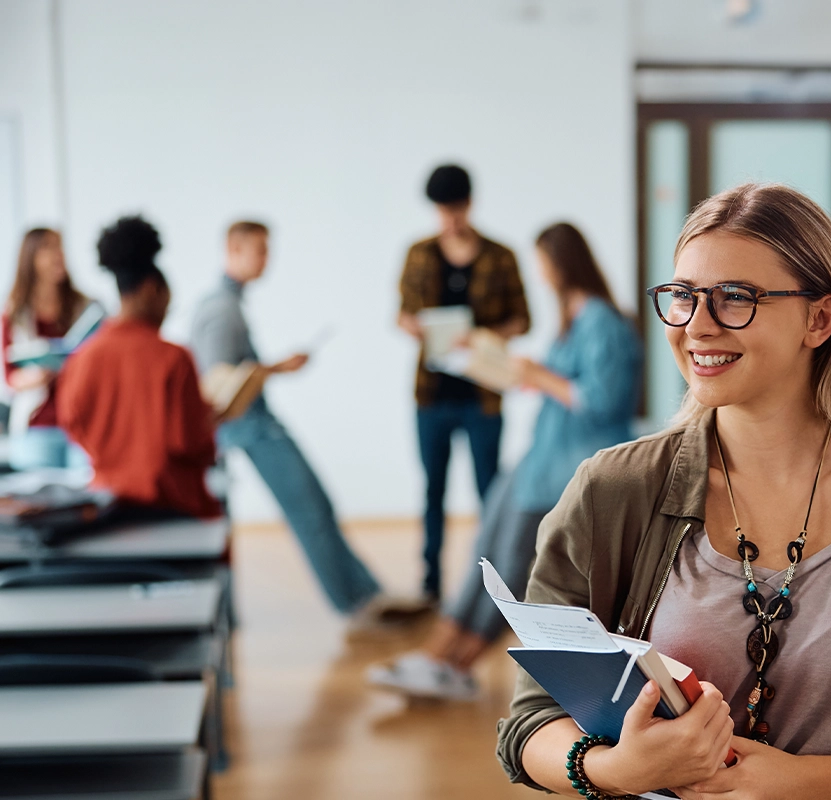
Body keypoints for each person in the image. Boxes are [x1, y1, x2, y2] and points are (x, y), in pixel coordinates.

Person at [495, 184, 831, 800]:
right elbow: (532, 722)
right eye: (681, 297)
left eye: (735, 298)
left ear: (820, 318)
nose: (696, 326)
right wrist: (617, 770)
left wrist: (799, 784)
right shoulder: (612, 492)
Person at [369, 221, 642, 700]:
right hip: (540, 460)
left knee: (512, 566)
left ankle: (457, 664)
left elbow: (603, 401)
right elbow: (566, 387)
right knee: (487, 552)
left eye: (541, 262)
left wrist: (539, 373)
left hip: (568, 468)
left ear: (559, 263)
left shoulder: (599, 319)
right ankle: (440, 654)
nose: (538, 273)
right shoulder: (575, 319)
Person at [190, 220, 424, 630]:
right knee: (311, 510)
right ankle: (357, 603)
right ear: (234, 250)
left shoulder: (227, 304)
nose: (267, 259)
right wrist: (279, 367)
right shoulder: (221, 309)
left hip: (254, 426)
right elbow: (220, 381)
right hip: (251, 428)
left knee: (316, 508)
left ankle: (366, 596)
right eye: (259, 250)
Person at [397, 164, 531, 601]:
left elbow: (523, 319)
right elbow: (401, 314)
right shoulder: (417, 253)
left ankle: (491, 582)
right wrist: (416, 327)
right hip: (431, 394)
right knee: (432, 488)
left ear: (469, 205)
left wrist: (484, 337)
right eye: (441, 210)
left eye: (455, 209)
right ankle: (431, 580)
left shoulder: (500, 255)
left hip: (482, 393)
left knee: (488, 491)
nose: (449, 219)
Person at [56, 216, 219, 518]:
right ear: (151, 290)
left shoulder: (82, 359)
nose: (166, 312)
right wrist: (210, 418)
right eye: (167, 302)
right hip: (173, 506)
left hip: (107, 508)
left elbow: (74, 426)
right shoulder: (173, 358)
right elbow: (191, 442)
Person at [3, 228, 101, 468]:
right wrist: (39, 376)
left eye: (59, 246)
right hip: (39, 424)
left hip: (81, 421)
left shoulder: (85, 307)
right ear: (31, 258)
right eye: (48, 248)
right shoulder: (15, 314)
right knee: (39, 500)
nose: (58, 255)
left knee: (87, 498)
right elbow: (9, 377)